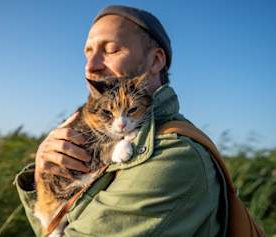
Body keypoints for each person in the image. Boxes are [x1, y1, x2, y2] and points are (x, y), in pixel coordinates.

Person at [14, 5, 228, 237]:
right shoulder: (90, 134)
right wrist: (41, 179)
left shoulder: (174, 155)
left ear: (156, 61)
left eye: (112, 49)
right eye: (87, 52)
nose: (90, 66)